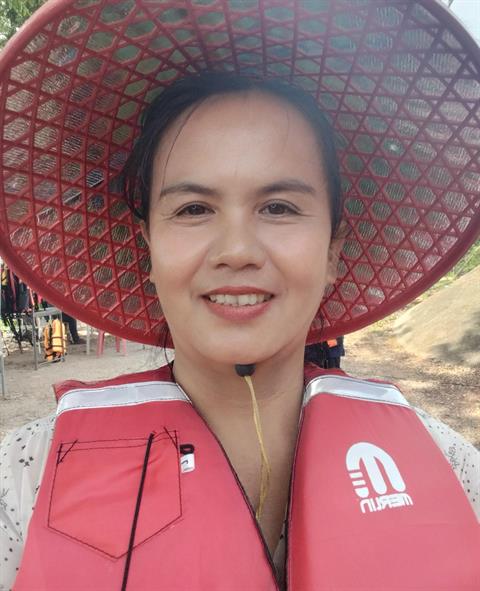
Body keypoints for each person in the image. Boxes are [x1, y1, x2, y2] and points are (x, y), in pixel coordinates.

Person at [0, 2, 479, 590]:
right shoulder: (24, 484)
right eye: (193, 209)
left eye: (278, 207)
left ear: (333, 250)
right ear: (148, 247)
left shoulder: (450, 469)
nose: (236, 250)